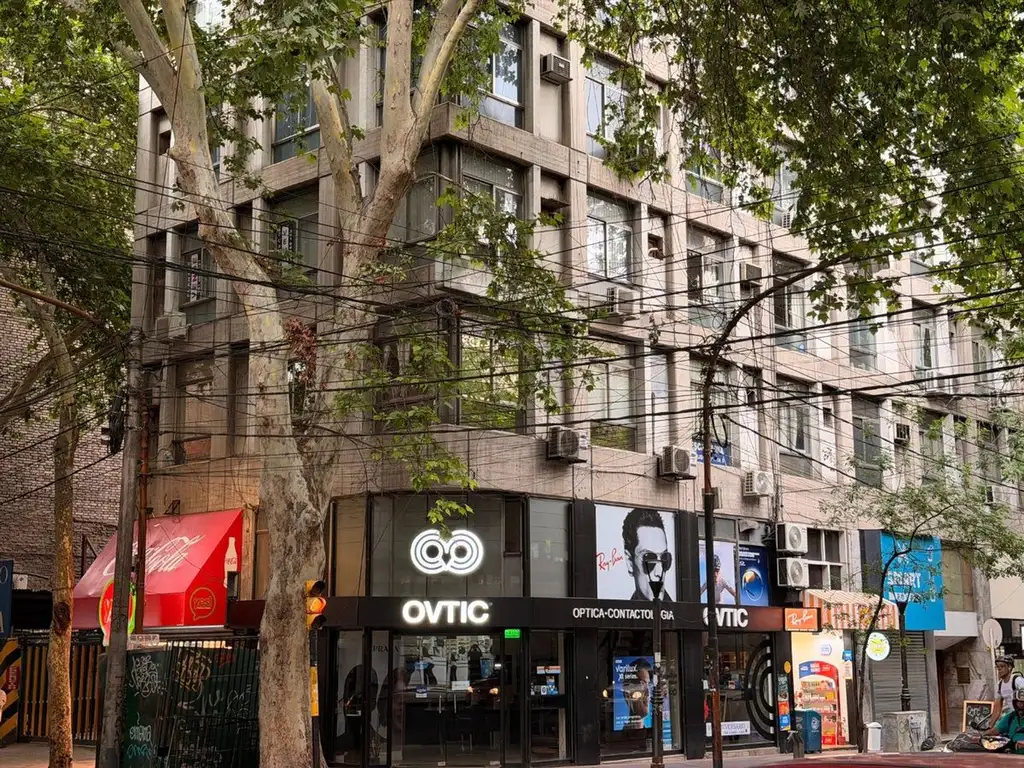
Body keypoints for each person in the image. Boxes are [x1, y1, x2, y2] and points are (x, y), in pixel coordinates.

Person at [621, 508, 674, 602]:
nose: (659, 573)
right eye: (649, 560)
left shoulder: (680, 611)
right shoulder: (618, 611)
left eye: (664, 559)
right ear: (630, 562)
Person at [987, 687, 1024, 753]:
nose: (1022, 705)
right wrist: (984, 736)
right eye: (1020, 702)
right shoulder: (1011, 717)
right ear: (1015, 703)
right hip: (1011, 755)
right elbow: (994, 731)